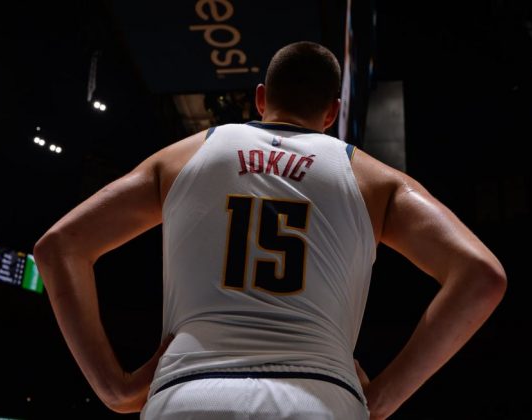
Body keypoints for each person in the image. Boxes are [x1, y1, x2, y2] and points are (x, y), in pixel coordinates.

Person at [33, 41, 507, 419]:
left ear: (261, 98)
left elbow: (59, 246)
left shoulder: (186, 155)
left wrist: (114, 389)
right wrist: (383, 398)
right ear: (332, 113)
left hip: (189, 393)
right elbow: (482, 277)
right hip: (322, 398)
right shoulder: (374, 180)